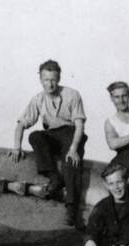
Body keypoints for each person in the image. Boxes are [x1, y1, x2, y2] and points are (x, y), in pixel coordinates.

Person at [8, 59, 87, 225]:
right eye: (46, 80)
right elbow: (21, 124)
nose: (50, 84)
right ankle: (54, 178)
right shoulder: (38, 99)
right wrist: (17, 146)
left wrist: (73, 148)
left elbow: (80, 125)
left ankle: (71, 207)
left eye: (53, 79)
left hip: (70, 133)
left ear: (58, 78)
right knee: (35, 136)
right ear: (40, 80)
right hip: (51, 135)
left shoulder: (72, 94)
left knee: (70, 161)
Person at [84, 163, 129, 246]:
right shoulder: (102, 206)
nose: (116, 187)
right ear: (106, 185)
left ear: (127, 181)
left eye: (119, 182)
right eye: (111, 184)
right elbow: (90, 234)